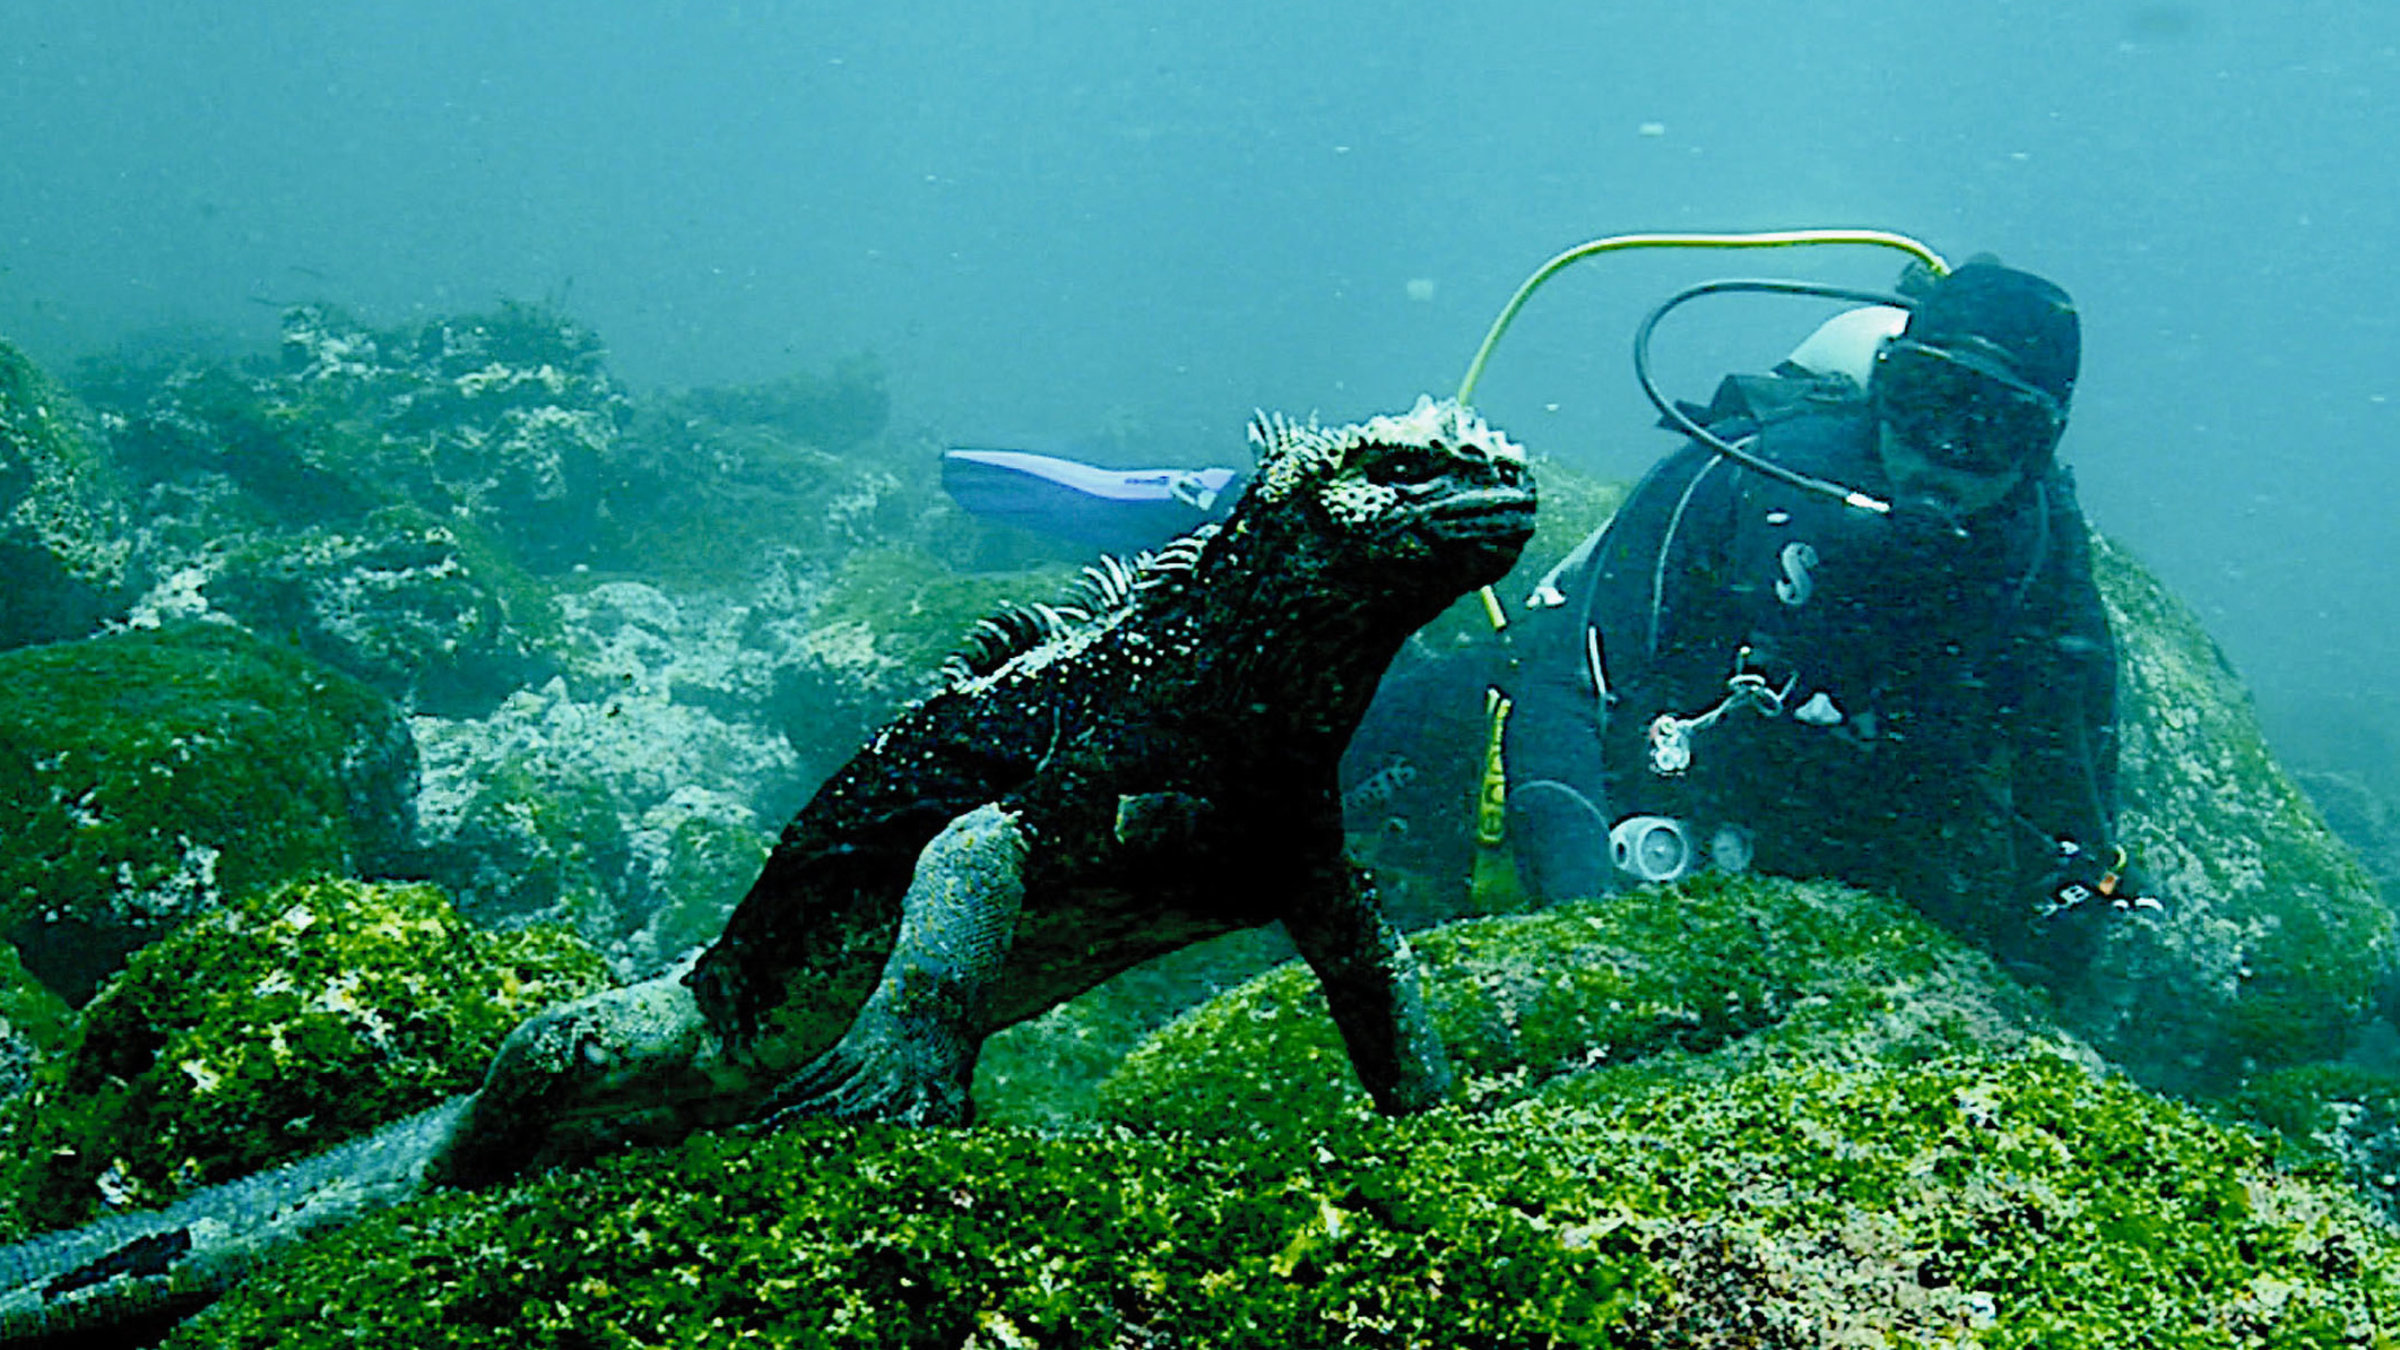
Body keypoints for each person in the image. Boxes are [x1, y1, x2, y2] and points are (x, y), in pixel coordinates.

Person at [1499, 260, 2150, 981]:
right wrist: (1579, 915)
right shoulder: (1753, 472)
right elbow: (1564, 680)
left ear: (2041, 448)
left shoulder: (2038, 573)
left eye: (1995, 430)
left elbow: (2070, 806)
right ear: (1883, 382)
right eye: (1924, 400)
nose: (1943, 453)